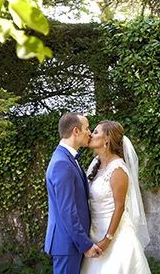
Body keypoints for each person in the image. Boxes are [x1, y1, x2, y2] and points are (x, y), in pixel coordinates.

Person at [81, 120, 151, 274]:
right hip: (94, 233)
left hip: (115, 237)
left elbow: (119, 207)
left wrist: (107, 239)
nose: (91, 134)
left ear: (107, 139)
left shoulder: (118, 169)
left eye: (96, 132)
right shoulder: (95, 164)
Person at [45, 112, 102, 274]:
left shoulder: (68, 159)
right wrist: (85, 244)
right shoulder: (62, 163)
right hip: (67, 243)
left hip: (72, 242)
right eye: (87, 128)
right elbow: (67, 210)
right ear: (76, 131)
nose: (90, 133)